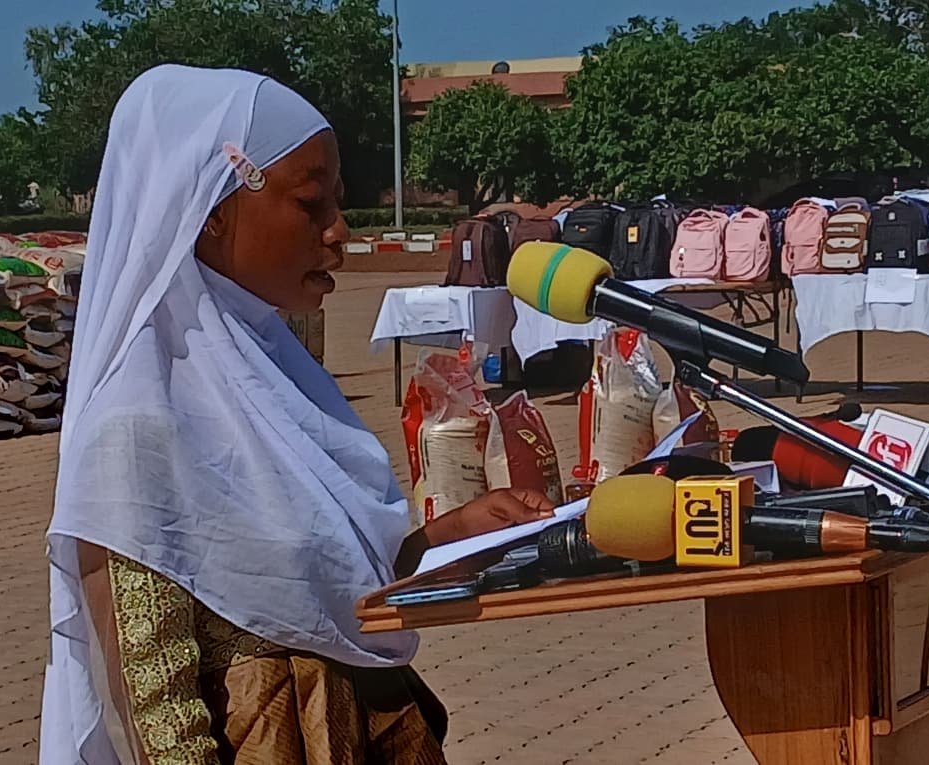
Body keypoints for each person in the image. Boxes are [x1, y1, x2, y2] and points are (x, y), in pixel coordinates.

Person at [39, 64, 555, 765]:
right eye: (311, 204)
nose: (338, 231)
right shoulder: (135, 423)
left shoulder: (283, 374)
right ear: (213, 210)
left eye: (338, 204)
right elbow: (154, 700)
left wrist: (451, 536)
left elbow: (334, 584)